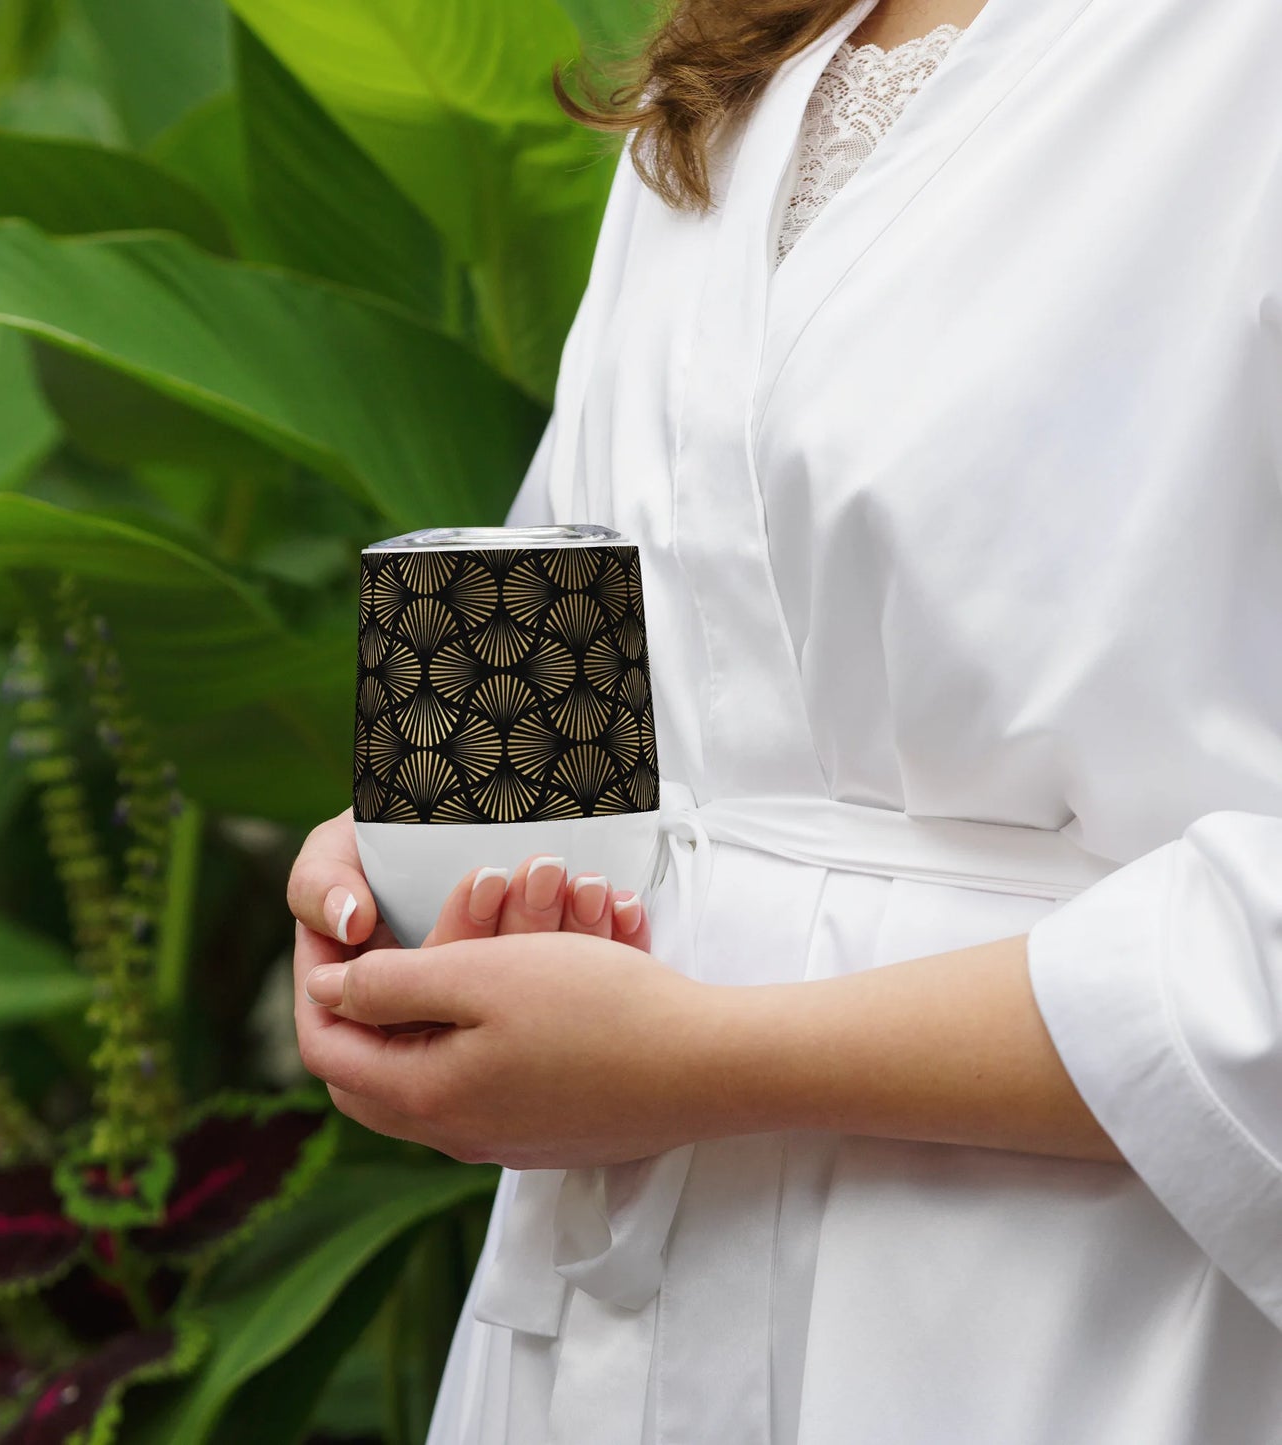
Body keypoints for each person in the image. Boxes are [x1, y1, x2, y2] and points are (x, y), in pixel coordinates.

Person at [287, 0, 1282, 1438]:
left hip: (1069, 1313)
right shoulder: (744, 52)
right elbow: (623, 622)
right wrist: (413, 866)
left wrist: (704, 1059)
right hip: (616, 1307)